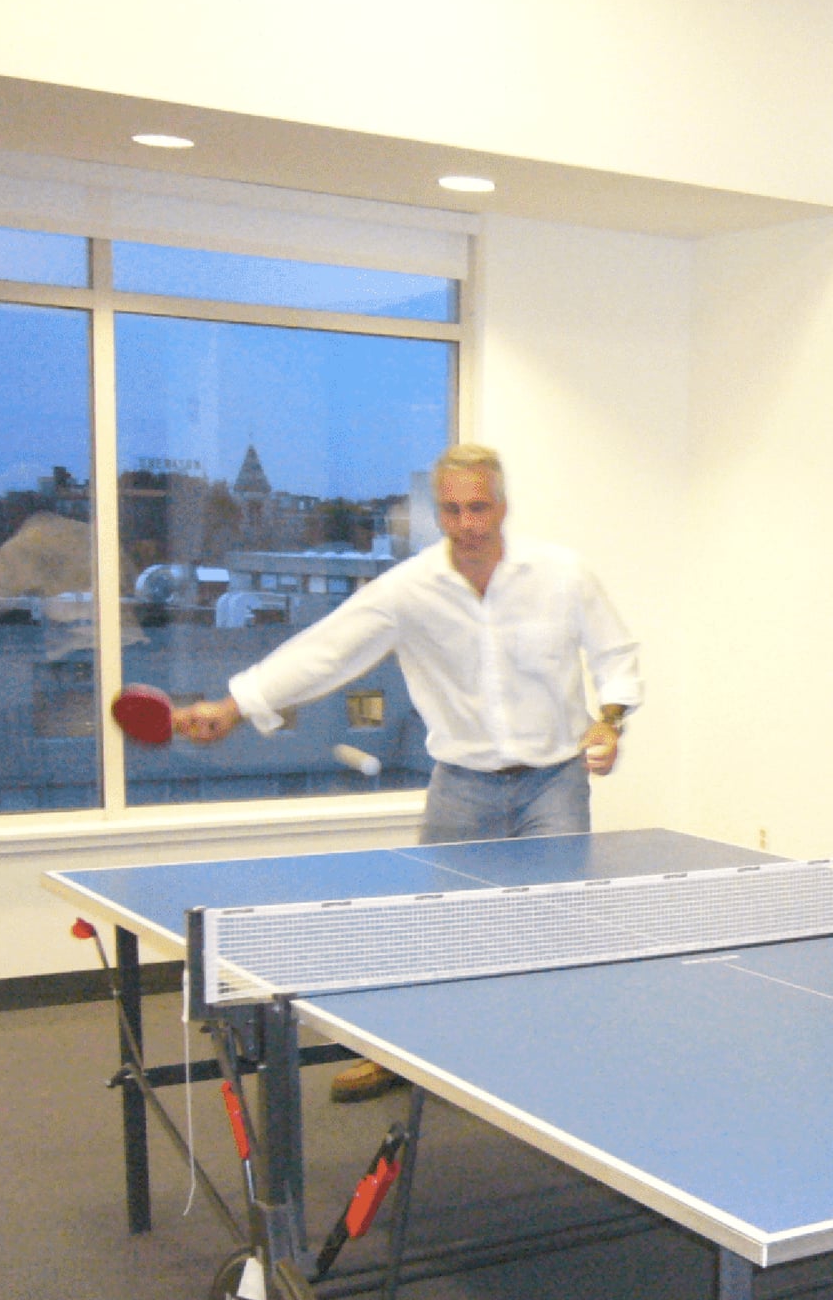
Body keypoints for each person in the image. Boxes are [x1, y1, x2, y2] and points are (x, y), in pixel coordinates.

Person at [175, 443, 643, 1099]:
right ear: (438, 512)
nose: (467, 524)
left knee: (555, 929)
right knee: (433, 931)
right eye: (452, 509)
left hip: (553, 781)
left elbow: (617, 654)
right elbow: (324, 653)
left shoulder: (563, 575)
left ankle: (549, 1061)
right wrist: (232, 706)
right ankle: (404, 1056)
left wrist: (609, 721)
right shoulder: (408, 589)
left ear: (502, 506)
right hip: (461, 784)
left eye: (479, 507)